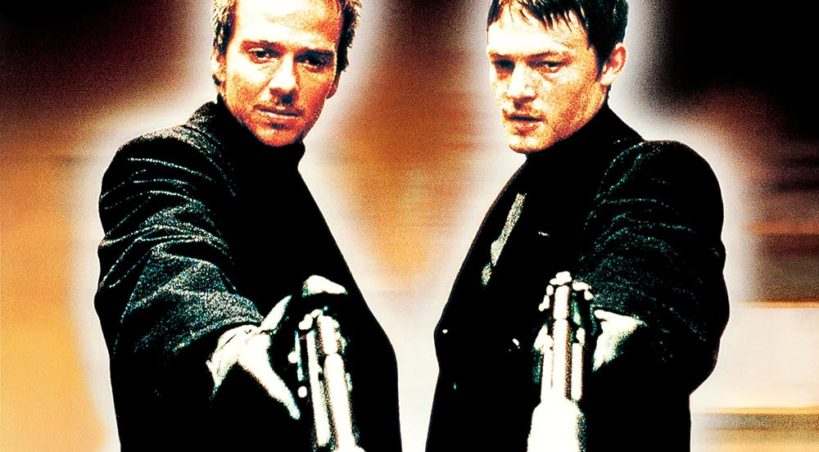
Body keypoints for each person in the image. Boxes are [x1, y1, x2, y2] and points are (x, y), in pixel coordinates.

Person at [94, 0, 402, 450]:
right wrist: (234, 351)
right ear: (219, 58)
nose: (286, 84)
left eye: (312, 60)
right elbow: (166, 276)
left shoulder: (282, 186)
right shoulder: (162, 167)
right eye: (262, 53)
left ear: (336, 77)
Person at [426, 0, 729, 450]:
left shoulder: (655, 176)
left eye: (548, 65)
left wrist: (608, 337)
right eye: (503, 64)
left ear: (610, 64)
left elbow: (645, 302)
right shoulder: (528, 187)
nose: (518, 90)